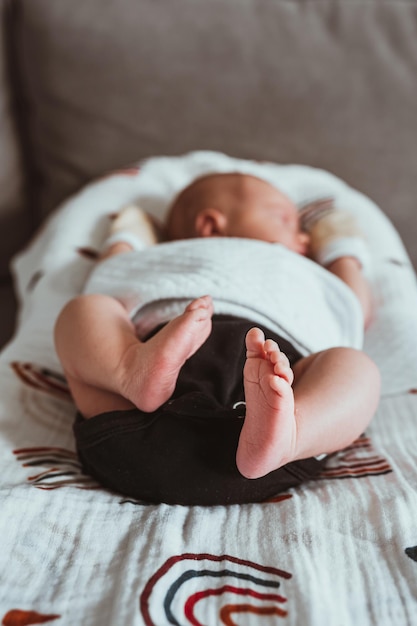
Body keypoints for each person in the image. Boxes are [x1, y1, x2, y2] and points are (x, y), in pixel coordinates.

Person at [54, 173, 381, 505]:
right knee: (87, 308)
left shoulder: (301, 273)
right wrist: (127, 240)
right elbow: (111, 275)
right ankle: (130, 372)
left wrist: (341, 248)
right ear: (211, 226)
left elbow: (353, 308)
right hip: (135, 409)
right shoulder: (172, 258)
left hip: (260, 416)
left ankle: (291, 432)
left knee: (355, 367)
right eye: (283, 219)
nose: (305, 239)